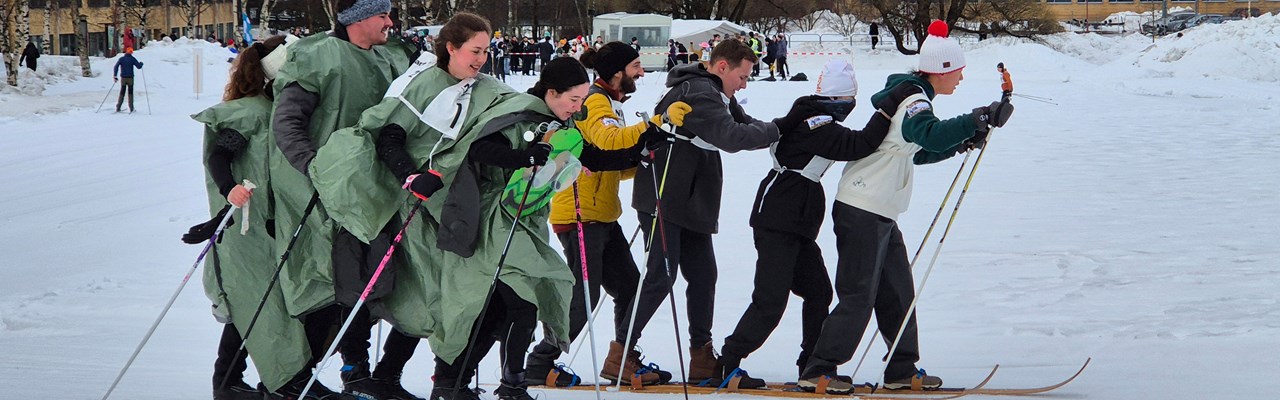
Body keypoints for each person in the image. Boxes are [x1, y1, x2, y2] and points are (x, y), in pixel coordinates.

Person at [796, 21, 1013, 395]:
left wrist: (963, 140)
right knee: (859, 294)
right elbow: (927, 132)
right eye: (958, 71)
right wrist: (974, 119)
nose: (961, 78)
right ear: (942, 69)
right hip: (861, 206)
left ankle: (901, 367)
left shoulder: (914, 96)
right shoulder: (913, 99)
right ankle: (819, 369)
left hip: (880, 209)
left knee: (897, 291)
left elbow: (921, 151)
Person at [626, 39, 820, 385]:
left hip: (690, 200)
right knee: (660, 276)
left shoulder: (717, 93)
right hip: (666, 195)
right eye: (742, 77)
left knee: (703, 276)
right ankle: (622, 353)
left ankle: (702, 357)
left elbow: (746, 124)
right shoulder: (700, 92)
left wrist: (785, 127)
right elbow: (732, 137)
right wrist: (783, 125)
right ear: (722, 67)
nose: (744, 84)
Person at [714, 58, 909, 389]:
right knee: (770, 300)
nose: (851, 105)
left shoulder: (815, 116)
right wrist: (887, 110)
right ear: (836, 99)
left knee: (818, 291)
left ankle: (812, 367)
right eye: (849, 100)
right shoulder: (817, 124)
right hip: (778, 219)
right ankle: (727, 363)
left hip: (797, 222)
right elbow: (858, 144)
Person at [266, 0, 419, 398]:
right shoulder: (319, 56)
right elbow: (287, 122)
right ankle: (339, 372)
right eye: (382, 14)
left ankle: (367, 375)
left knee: (376, 281)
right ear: (357, 19)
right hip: (330, 195)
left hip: (381, 188)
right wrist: (316, 168)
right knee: (344, 283)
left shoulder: (391, 59)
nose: (390, 21)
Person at [523, 41, 691, 388]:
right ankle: (540, 361)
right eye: (635, 66)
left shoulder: (608, 101)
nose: (641, 72)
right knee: (586, 296)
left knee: (630, 288)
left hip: (602, 214)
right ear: (616, 72)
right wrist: (655, 125)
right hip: (580, 215)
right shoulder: (596, 101)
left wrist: (640, 159)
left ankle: (623, 359)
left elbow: (604, 160)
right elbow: (609, 139)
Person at [185, 35, 312, 400]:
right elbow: (219, 157)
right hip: (248, 228)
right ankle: (229, 382)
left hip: (272, 225)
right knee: (252, 300)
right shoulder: (252, 111)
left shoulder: (277, 110)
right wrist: (230, 189)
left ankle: (234, 382)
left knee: (264, 301)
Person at [112, 47, 144, 113]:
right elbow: (138, 66)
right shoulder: (132, 59)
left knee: (122, 92)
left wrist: (115, 75)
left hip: (123, 78)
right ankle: (131, 108)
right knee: (130, 93)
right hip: (130, 78)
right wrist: (141, 63)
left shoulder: (121, 59)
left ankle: (118, 107)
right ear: (131, 52)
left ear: (126, 51)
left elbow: (116, 67)